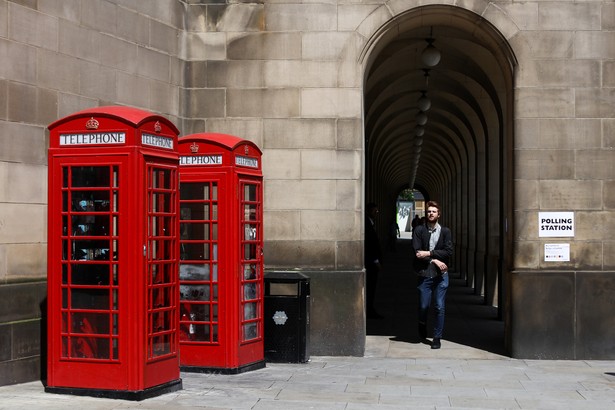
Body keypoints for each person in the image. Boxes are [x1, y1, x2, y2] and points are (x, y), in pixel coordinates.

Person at [412, 201, 453, 349]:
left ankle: (437, 337)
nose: (431, 213)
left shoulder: (445, 232)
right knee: (423, 306)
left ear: (438, 214)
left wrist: (428, 253)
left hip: (441, 275)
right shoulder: (419, 230)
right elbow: (417, 252)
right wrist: (435, 259)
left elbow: (448, 252)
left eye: (434, 211)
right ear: (426, 213)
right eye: (429, 211)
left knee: (439, 306)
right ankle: (422, 323)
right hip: (424, 274)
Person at [364, 202, 383, 319]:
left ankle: (370, 308)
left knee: (372, 287)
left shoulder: (370, 223)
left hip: (371, 262)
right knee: (370, 287)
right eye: (375, 211)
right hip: (370, 263)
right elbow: (370, 245)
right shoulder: (367, 224)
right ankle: (369, 310)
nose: (377, 213)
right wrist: (376, 261)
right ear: (369, 211)